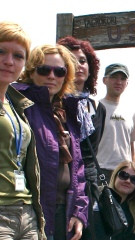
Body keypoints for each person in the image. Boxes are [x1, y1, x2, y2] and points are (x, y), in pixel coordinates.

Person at [13, 44, 88, 240]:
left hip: (64, 211)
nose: (51, 76)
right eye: (44, 69)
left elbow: (78, 168)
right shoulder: (17, 104)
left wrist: (79, 213)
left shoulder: (69, 111)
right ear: (31, 71)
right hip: (28, 212)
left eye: (59, 71)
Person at [0, 21, 46, 240]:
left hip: (27, 212)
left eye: (18, 56)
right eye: (1, 51)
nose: (9, 61)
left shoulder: (17, 104)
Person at [57, 36, 106, 239]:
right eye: (73, 60)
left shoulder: (97, 107)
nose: (79, 65)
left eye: (83, 61)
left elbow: (93, 148)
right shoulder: (55, 103)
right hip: (63, 181)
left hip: (90, 183)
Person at [96, 63, 135, 181]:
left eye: (123, 78)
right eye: (114, 77)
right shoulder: (95, 108)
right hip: (99, 169)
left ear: (127, 83)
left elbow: (132, 148)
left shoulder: (131, 112)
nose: (118, 82)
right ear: (105, 80)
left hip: (124, 173)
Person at [95, 161, 135, 240]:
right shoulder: (98, 199)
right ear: (115, 176)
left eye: (134, 179)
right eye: (123, 175)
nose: (128, 181)